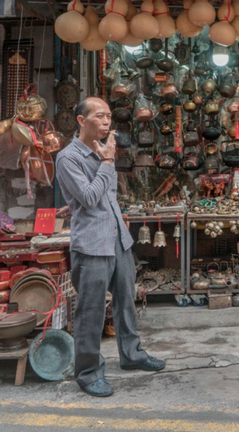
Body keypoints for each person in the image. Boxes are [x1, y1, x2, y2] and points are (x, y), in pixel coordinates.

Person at [55, 97, 165, 398]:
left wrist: (73, 202)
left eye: (108, 118)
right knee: (90, 310)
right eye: (99, 116)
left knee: (126, 299)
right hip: (91, 244)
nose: (106, 122)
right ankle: (88, 372)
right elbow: (90, 198)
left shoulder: (102, 151)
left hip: (117, 237)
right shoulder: (69, 158)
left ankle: (132, 354)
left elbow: (98, 197)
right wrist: (105, 163)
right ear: (81, 121)